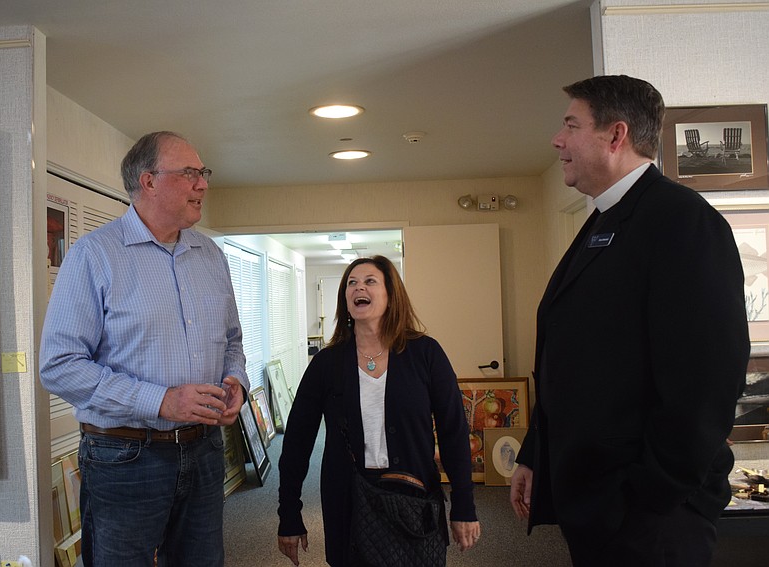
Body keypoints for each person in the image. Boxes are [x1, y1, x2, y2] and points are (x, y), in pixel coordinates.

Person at [510, 75, 749, 567]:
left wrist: (648, 495)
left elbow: (706, 382)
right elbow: (575, 359)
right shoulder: (604, 220)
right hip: (605, 506)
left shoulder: (683, 222)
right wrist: (537, 451)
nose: (558, 140)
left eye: (571, 126)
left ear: (615, 136)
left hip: (651, 518)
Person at [40, 131, 248, 567]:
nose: (203, 184)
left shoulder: (211, 255)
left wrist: (237, 384)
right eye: (190, 173)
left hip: (206, 448)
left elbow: (232, 341)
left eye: (203, 173)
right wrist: (162, 400)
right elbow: (59, 366)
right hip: (126, 458)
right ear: (148, 181)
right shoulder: (94, 256)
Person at [277, 255, 480, 566]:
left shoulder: (426, 354)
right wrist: (289, 513)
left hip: (415, 498)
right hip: (347, 499)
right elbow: (296, 442)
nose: (360, 287)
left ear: (390, 294)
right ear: (345, 298)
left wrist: (464, 506)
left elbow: (454, 432)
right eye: (352, 283)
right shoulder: (326, 364)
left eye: (370, 281)